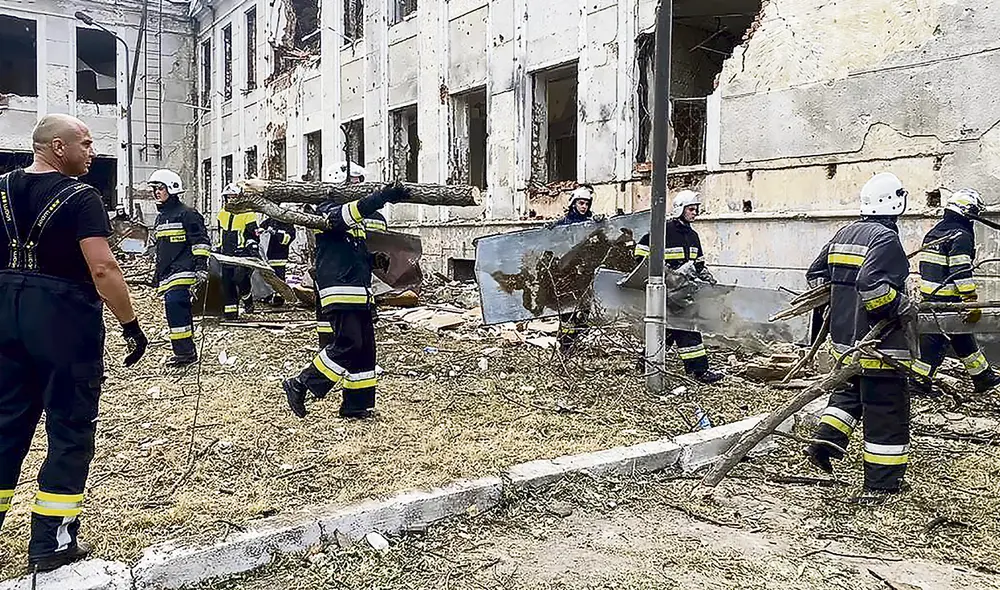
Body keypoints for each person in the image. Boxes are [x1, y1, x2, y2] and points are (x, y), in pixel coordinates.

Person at [0, 114, 148, 571]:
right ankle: (52, 542)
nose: (92, 152)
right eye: (85, 143)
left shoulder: (1, 188)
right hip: (63, 318)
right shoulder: (82, 198)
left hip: (6, 311)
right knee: (69, 429)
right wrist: (130, 322)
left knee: (4, 427)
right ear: (57, 148)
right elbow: (103, 268)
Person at [804, 172, 913, 502]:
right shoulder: (885, 239)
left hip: (845, 343)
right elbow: (873, 287)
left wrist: (838, 309)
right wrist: (901, 306)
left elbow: (815, 276)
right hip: (879, 347)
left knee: (849, 395)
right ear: (895, 201)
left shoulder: (845, 232)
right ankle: (882, 485)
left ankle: (825, 442)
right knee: (886, 410)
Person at [283, 182, 412, 419]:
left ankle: (356, 406)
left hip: (358, 291)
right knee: (349, 343)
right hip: (341, 290)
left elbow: (352, 253)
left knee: (364, 349)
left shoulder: (353, 223)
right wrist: (382, 197)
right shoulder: (326, 211)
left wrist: (374, 260)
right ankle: (300, 384)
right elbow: (348, 215)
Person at [911, 188, 1000, 395]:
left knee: (961, 336)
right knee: (935, 344)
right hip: (947, 300)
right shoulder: (961, 235)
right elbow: (960, 269)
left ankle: (982, 377)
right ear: (968, 211)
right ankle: (918, 383)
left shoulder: (935, 231)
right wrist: (970, 300)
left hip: (931, 296)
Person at [634, 190, 724, 384]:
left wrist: (707, 277)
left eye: (696, 209)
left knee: (669, 331)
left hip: (684, 292)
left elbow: (698, 264)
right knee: (688, 328)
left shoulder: (693, 236)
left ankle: (644, 361)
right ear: (680, 210)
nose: (694, 213)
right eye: (691, 209)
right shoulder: (663, 231)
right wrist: (666, 272)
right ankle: (699, 371)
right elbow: (641, 252)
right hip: (666, 292)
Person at [150, 169, 212, 367]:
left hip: (185, 269)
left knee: (175, 303)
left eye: (160, 188)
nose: (156, 192)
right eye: (154, 189)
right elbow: (162, 250)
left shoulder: (187, 213)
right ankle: (183, 351)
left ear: (172, 188)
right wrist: (156, 274)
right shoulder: (161, 218)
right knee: (174, 310)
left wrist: (201, 266)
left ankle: (185, 353)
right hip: (168, 272)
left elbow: (201, 241)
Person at [552, 185, 605, 352]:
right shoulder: (563, 223)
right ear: (574, 203)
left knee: (584, 312)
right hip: (567, 273)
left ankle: (575, 339)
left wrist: (602, 223)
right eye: (581, 203)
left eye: (587, 204)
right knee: (567, 312)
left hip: (586, 274)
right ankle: (565, 346)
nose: (584, 207)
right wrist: (549, 229)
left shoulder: (592, 222)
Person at [217, 183, 260, 319]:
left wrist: (252, 247)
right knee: (227, 282)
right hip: (226, 253)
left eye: (234, 197)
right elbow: (221, 232)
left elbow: (253, 234)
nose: (231, 200)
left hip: (242, 253)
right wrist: (219, 246)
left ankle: (247, 298)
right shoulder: (222, 213)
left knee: (240, 278)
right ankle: (231, 313)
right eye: (228, 197)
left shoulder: (248, 214)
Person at [259, 215, 297, 306]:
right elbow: (261, 227)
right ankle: (269, 295)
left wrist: (275, 233)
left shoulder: (288, 224)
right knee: (268, 277)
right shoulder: (271, 220)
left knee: (279, 278)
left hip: (279, 257)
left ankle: (279, 298)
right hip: (268, 255)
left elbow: (287, 239)